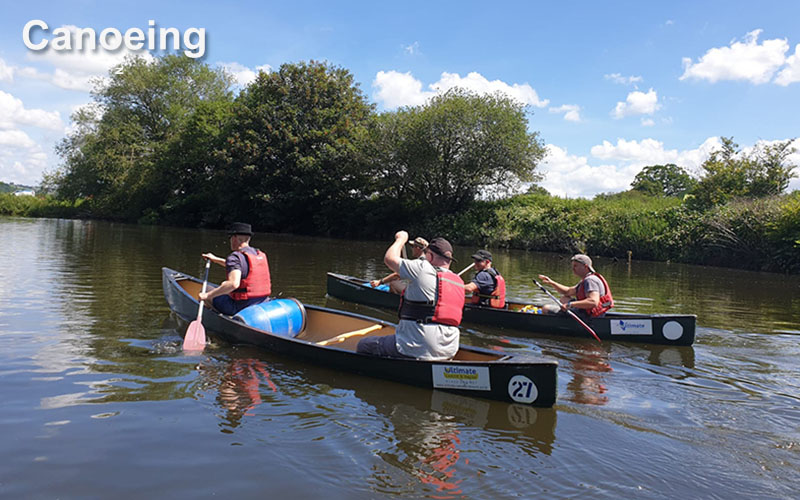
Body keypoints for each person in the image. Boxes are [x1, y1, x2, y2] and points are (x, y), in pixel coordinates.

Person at [357, 232, 464, 360]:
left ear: (429, 256)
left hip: (419, 346)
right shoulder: (458, 281)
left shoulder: (422, 268)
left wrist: (401, 239)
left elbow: (389, 258)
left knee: (364, 345)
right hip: (449, 349)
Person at [199, 222, 272, 316]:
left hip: (241, 308)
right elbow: (240, 267)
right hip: (261, 303)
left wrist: (207, 295)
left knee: (206, 290)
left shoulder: (235, 257)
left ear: (234, 238)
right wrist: (216, 260)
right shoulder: (258, 254)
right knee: (221, 291)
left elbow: (233, 284)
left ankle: (217, 318)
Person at [538, 254, 614, 318]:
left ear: (585, 267)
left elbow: (593, 302)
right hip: (590, 312)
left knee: (545, 308)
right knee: (564, 298)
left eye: (576, 266)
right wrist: (551, 282)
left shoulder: (590, 280)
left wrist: (570, 305)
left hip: (589, 316)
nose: (573, 268)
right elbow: (567, 292)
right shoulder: (587, 279)